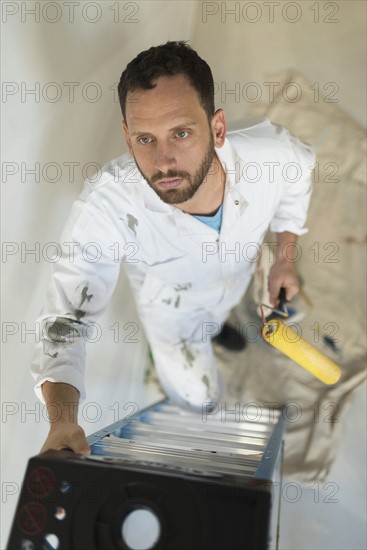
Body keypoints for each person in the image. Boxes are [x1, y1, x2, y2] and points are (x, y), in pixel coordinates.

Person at [31, 41, 315, 455]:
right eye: (145, 138)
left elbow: (297, 183)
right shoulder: (109, 205)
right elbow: (65, 322)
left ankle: (218, 328)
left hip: (234, 279)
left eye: (180, 133)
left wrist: (283, 261)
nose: (163, 161)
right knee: (199, 398)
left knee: (221, 313)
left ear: (218, 128)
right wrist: (62, 422)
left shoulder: (273, 154)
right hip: (172, 313)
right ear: (128, 140)